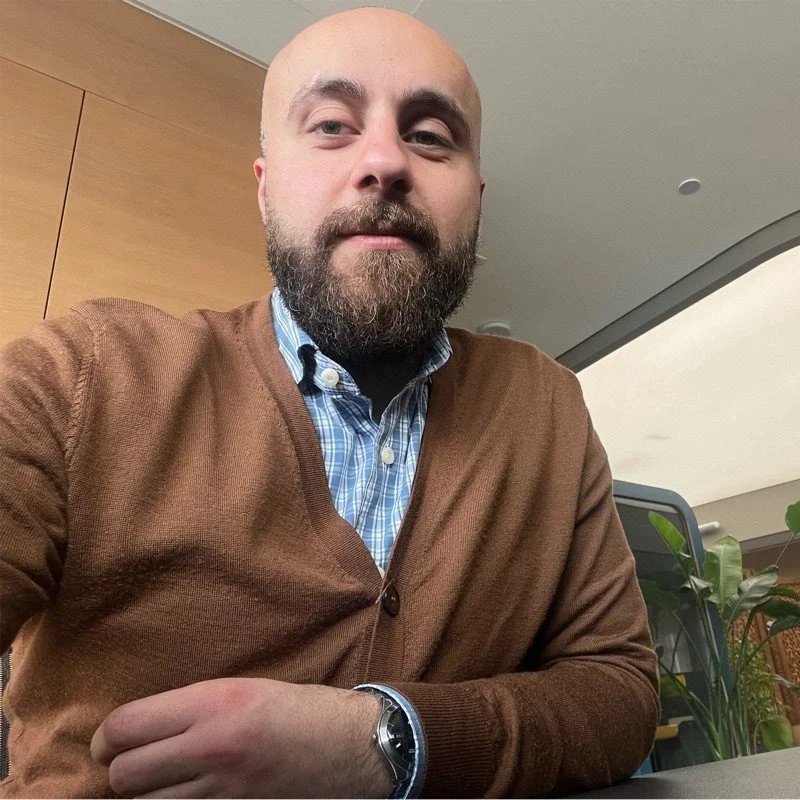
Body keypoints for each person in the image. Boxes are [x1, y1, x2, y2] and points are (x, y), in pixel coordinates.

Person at [0, 7, 658, 798]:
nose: (384, 160)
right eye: (332, 126)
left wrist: (388, 740)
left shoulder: (546, 407)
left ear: (473, 200)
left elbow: (620, 693)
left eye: (430, 135)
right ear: (265, 184)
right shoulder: (83, 376)